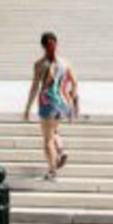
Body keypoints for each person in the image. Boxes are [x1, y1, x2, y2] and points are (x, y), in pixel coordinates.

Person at [23, 32, 80, 181]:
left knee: (47, 139)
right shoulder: (65, 63)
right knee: (54, 130)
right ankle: (60, 151)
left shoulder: (39, 64)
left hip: (47, 103)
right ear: (57, 43)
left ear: (42, 46)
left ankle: (52, 171)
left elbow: (35, 88)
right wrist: (72, 100)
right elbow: (74, 83)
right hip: (62, 103)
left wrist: (27, 109)